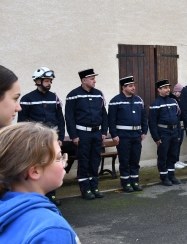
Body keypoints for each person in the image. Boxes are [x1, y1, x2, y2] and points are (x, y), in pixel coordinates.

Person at [0, 123, 80, 243]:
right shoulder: (52, 230)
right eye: (59, 158)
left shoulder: (6, 207)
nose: (65, 163)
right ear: (35, 171)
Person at [18, 67, 65, 206]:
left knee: (51, 166)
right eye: (46, 81)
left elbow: (60, 119)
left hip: (52, 140)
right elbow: (22, 123)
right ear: (37, 81)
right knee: (37, 167)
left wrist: (60, 137)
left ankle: (51, 196)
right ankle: (37, 195)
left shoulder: (54, 98)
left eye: (50, 81)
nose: (49, 83)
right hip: (35, 141)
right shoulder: (27, 99)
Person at [65, 68, 108, 200]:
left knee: (95, 160)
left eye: (94, 78)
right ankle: (86, 189)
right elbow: (69, 117)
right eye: (92, 79)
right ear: (84, 80)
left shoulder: (98, 94)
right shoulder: (73, 94)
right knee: (84, 162)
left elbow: (104, 115)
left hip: (96, 133)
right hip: (82, 134)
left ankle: (94, 187)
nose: (95, 81)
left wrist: (104, 132)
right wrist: (74, 136)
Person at [108, 76, 148, 192]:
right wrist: (114, 134)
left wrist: (144, 131)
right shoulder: (115, 101)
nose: (133, 87)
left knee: (135, 160)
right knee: (125, 160)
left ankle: (135, 181)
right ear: (123, 87)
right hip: (123, 136)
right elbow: (111, 120)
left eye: (133, 85)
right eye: (130, 86)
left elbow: (143, 117)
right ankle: (126, 183)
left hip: (136, 135)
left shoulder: (138, 100)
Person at [150, 79, 182, 185]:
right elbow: (152, 122)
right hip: (163, 132)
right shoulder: (155, 104)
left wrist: (178, 132)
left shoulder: (173, 102)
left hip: (174, 132)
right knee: (163, 155)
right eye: (165, 88)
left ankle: (171, 175)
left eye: (168, 87)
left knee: (173, 154)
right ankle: (164, 176)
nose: (168, 90)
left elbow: (177, 118)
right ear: (159, 90)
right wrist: (156, 138)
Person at [170, 83, 187, 169]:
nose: (181, 94)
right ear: (176, 92)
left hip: (181, 125)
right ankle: (173, 161)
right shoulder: (173, 100)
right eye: (180, 92)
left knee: (179, 143)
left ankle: (177, 160)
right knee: (175, 144)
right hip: (177, 125)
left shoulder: (179, 100)